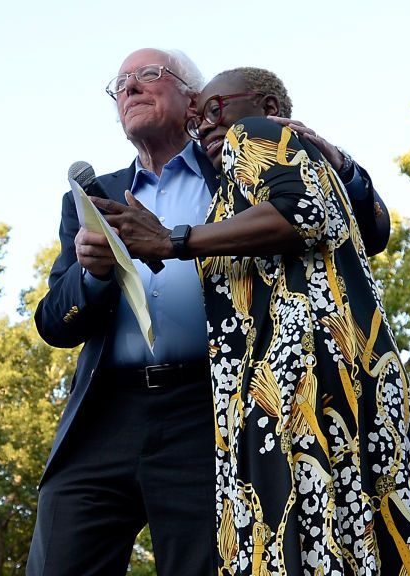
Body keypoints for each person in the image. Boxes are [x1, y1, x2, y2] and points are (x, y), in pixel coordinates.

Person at [29, 51, 391, 575]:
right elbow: (53, 322)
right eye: (120, 83)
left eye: (148, 75)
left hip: (211, 411)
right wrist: (94, 274)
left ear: (190, 100)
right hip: (105, 414)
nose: (130, 88)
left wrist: (338, 160)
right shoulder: (97, 195)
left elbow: (363, 228)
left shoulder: (236, 162)